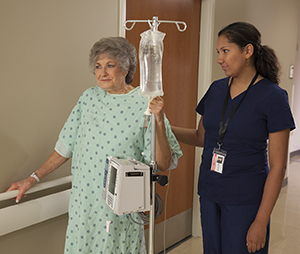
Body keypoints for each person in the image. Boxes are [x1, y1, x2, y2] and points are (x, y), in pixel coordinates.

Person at [6, 37, 182, 254]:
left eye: (110, 65)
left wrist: (158, 120)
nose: (102, 72)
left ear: (127, 67)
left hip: (119, 207)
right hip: (84, 202)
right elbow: (65, 146)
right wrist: (32, 178)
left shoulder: (145, 103)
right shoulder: (88, 98)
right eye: (98, 66)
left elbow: (163, 162)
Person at [172, 22, 295, 254]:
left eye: (225, 51)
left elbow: (278, 167)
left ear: (248, 51)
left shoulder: (273, 97)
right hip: (210, 192)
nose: (220, 59)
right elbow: (201, 137)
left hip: (245, 198)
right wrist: (164, 127)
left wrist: (261, 221)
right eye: (218, 52)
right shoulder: (216, 89)